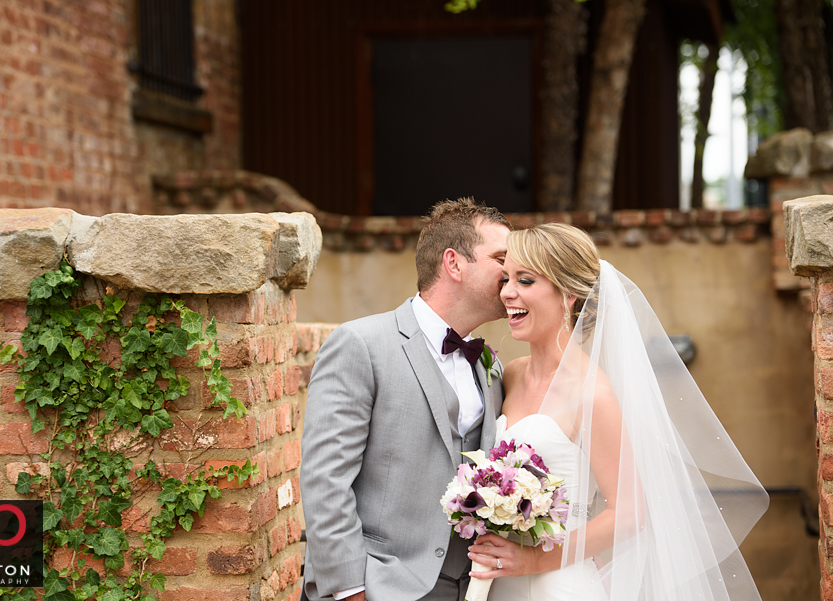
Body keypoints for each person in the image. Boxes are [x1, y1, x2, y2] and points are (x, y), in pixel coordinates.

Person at [467, 223, 768, 601]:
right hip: (499, 581)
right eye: (506, 278)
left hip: (556, 582)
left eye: (525, 281)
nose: (508, 293)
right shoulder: (510, 374)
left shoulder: (591, 393)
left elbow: (629, 514)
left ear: (569, 295)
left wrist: (532, 562)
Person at [300, 198, 511, 601]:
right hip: (378, 585)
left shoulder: (489, 366)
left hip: (467, 588)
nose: (513, 273)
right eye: (501, 258)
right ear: (454, 263)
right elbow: (326, 478)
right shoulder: (362, 344)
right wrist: (349, 591)